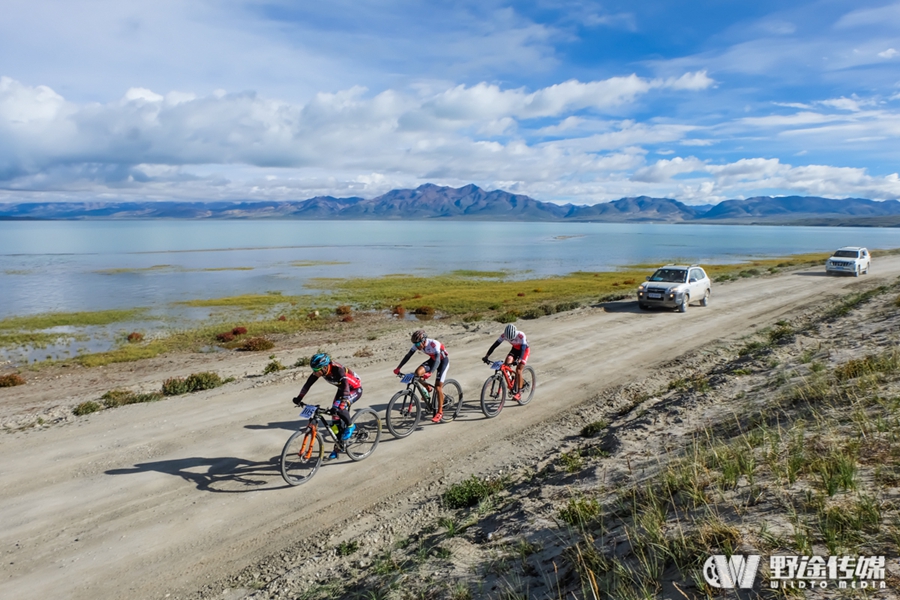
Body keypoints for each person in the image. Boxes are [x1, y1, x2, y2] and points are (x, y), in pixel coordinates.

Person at [293, 352, 363, 459]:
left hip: (353, 389)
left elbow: (345, 387)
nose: (314, 373)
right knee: (335, 423)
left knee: (339, 409)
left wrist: (344, 401)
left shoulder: (338, 370)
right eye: (313, 370)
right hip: (342, 389)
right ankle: (338, 447)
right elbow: (308, 385)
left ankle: (350, 426)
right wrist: (299, 398)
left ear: (325, 367)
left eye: (316, 370)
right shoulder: (321, 370)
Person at [393, 329, 449, 423]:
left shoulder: (434, 344)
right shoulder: (417, 344)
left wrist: (430, 372)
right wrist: (398, 368)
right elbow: (408, 356)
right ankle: (427, 388)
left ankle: (439, 412)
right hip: (432, 360)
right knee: (417, 374)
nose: (417, 347)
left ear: (424, 341)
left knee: (438, 387)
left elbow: (438, 360)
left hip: (442, 361)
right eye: (416, 345)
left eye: (418, 344)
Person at [483, 323, 529, 401]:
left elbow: (523, 347)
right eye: (509, 339)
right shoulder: (503, 335)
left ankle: (519, 393)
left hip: (524, 351)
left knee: (518, 370)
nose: (511, 340)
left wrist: (520, 359)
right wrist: (486, 356)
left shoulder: (521, 335)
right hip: (514, 350)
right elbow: (495, 345)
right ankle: (511, 382)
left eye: (512, 338)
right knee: (507, 363)